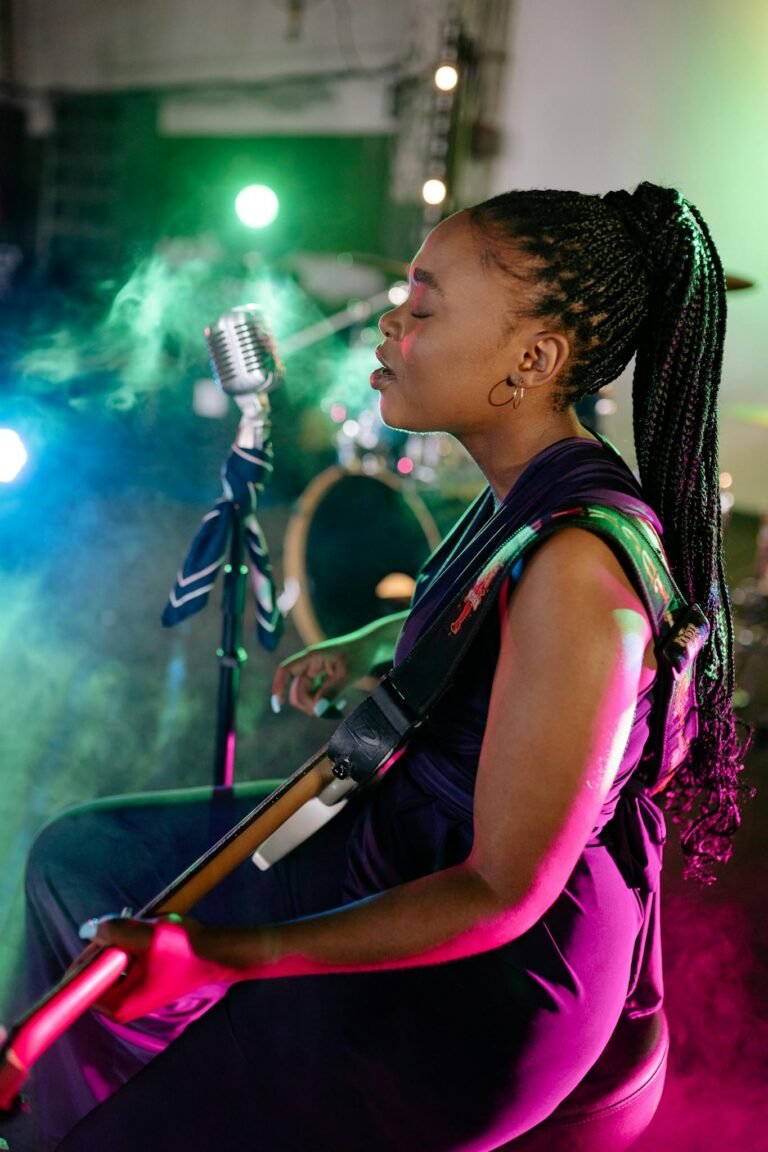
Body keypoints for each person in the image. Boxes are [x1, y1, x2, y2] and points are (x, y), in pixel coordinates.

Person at [25, 183, 750, 1151]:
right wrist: (376, 646)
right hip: (402, 832)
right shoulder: (525, 484)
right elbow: (494, 628)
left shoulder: (583, 572)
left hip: (482, 991)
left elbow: (504, 890)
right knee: (78, 860)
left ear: (532, 361)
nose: (387, 327)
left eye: (423, 306)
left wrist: (228, 957)